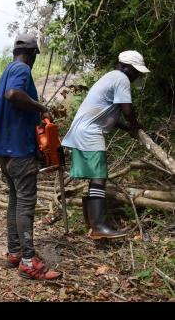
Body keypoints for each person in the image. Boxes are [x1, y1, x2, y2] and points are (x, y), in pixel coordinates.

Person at [0, 34, 61, 280]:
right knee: (25, 204)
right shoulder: (21, 69)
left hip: (3, 151)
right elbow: (13, 95)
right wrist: (41, 108)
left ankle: (15, 252)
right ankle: (29, 262)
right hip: (19, 151)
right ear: (33, 54)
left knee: (15, 201)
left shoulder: (8, 69)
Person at [61, 50, 149, 239]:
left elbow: (109, 115)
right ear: (126, 67)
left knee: (95, 178)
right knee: (99, 176)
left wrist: (129, 129)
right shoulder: (121, 78)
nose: (137, 76)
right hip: (90, 132)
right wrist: (135, 124)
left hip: (83, 130)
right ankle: (99, 226)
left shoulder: (110, 77)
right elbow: (127, 110)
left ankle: (93, 225)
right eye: (136, 71)